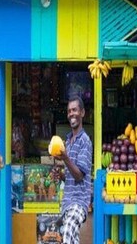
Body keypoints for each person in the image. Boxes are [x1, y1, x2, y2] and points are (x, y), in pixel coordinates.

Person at [54, 95, 93, 244]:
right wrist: (62, 175)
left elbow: (79, 176)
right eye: (69, 111)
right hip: (67, 202)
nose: (71, 113)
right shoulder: (68, 142)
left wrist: (65, 158)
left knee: (68, 231)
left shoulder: (85, 141)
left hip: (79, 201)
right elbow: (71, 175)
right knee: (72, 239)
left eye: (75, 110)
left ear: (82, 113)